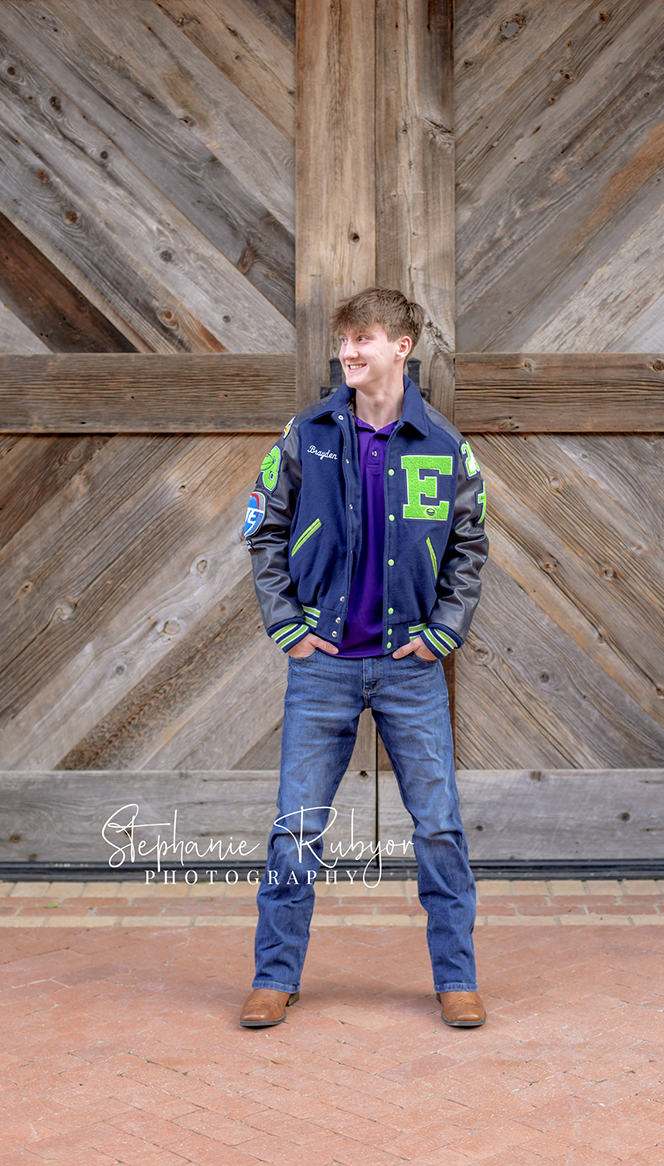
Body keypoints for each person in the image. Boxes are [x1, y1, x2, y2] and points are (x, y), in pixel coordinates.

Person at [240, 287, 489, 1029]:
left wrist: (443, 632)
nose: (349, 351)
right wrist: (288, 625)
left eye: (365, 338)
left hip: (410, 665)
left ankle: (456, 978)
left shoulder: (445, 446)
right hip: (323, 666)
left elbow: (469, 549)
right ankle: (273, 976)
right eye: (345, 339)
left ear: (401, 347)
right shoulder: (307, 433)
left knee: (439, 825)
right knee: (296, 825)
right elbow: (263, 531)